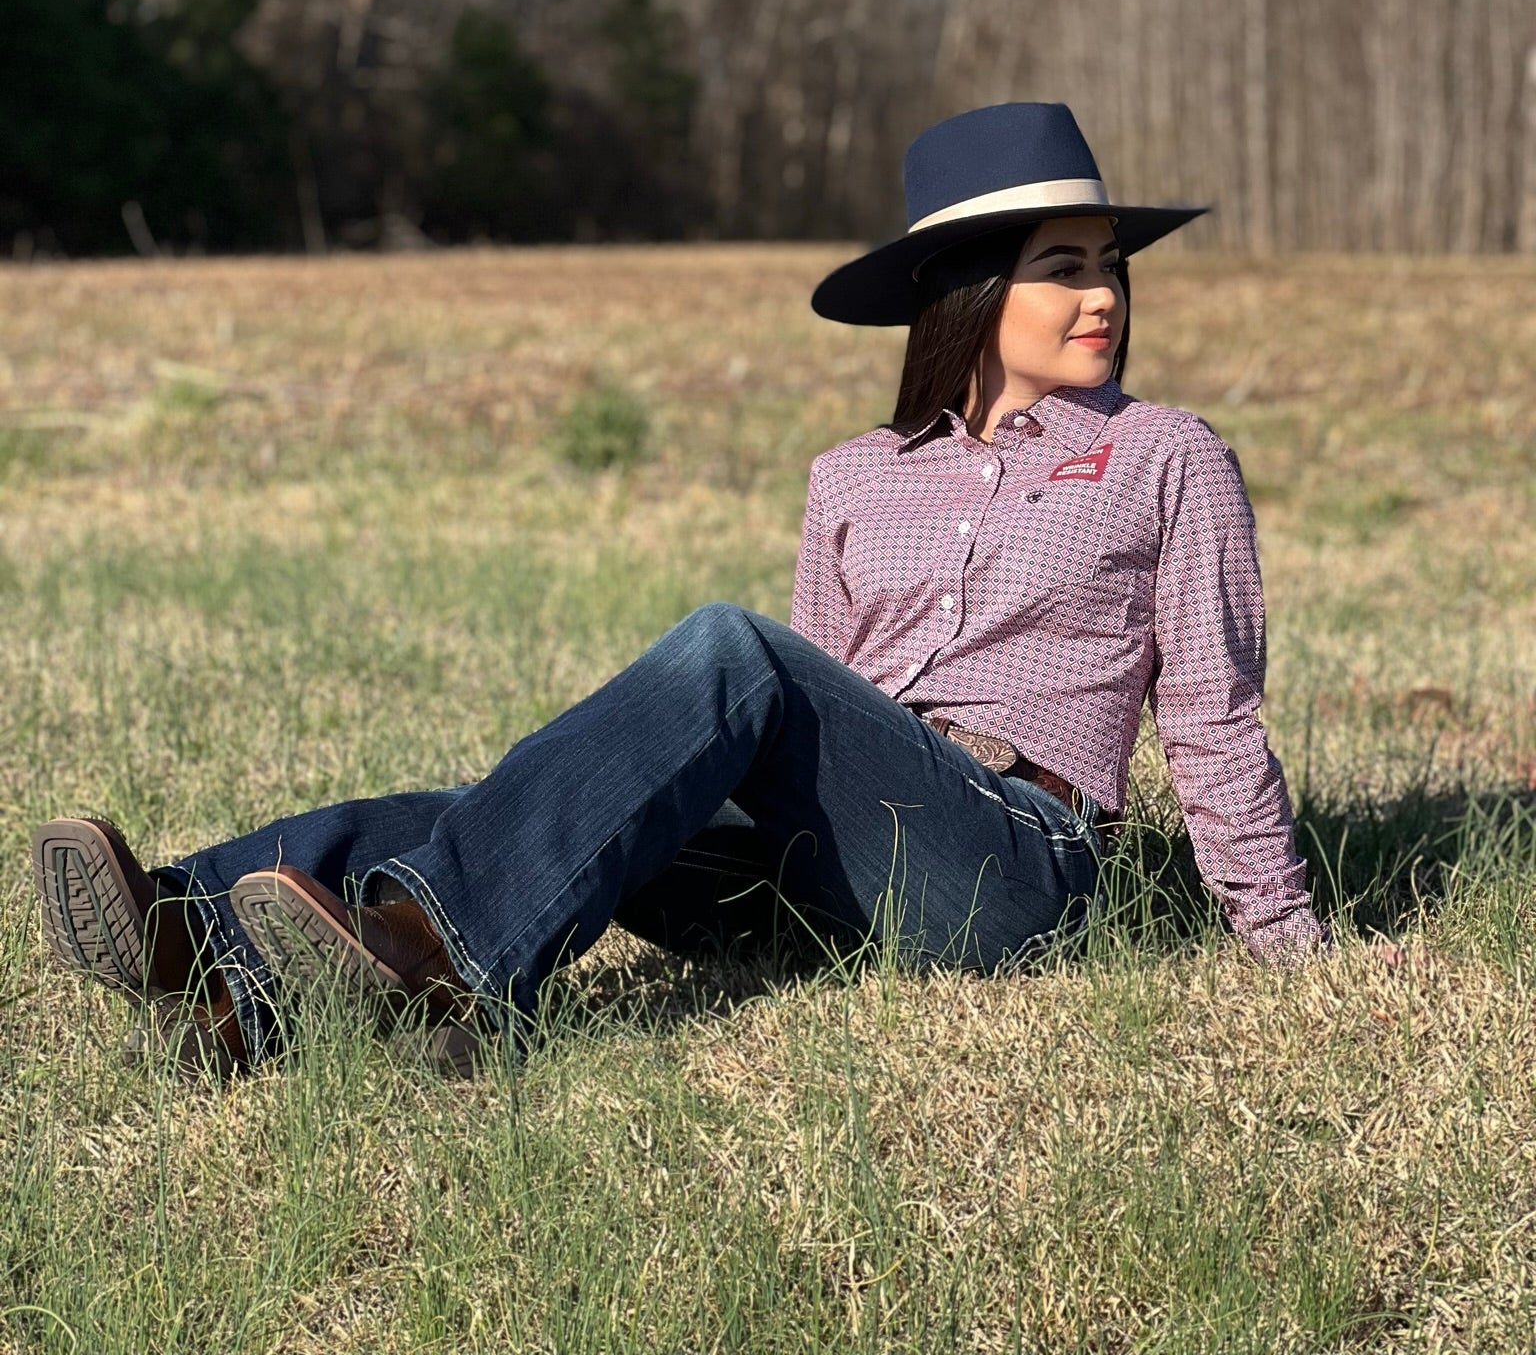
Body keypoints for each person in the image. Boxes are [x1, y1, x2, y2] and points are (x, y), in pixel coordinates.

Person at [31, 101, 1327, 1078]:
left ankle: (443, 969)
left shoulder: (1166, 457)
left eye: (1111, 264)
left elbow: (1213, 712)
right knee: (504, 805)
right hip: (829, 880)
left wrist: (1281, 942)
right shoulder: (855, 478)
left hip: (1005, 866)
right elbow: (809, 719)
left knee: (728, 652)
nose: (1102, 293)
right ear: (966, 287)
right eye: (1065, 264)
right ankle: (197, 946)